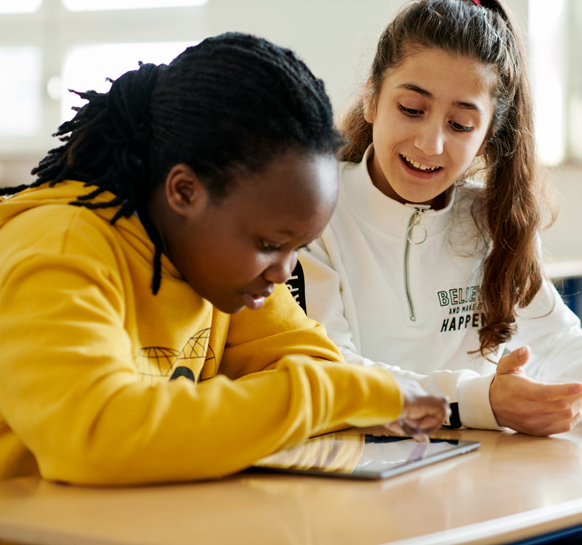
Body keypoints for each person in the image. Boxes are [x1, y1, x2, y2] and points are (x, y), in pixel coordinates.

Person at [0, 32, 448, 486]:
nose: (284, 271)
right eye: (271, 244)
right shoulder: (58, 246)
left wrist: (318, 396)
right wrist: (338, 395)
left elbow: (315, 364)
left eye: (297, 247)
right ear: (184, 192)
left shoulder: (220, 269)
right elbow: (97, 437)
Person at [296, 0, 582, 438]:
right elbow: (330, 371)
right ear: (372, 98)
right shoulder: (310, 209)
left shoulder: (492, 219)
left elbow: (552, 343)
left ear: (487, 138)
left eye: (461, 124)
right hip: (355, 467)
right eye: (411, 109)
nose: (431, 143)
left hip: (473, 468)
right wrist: (481, 402)